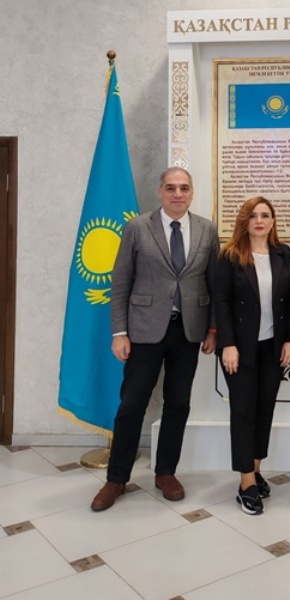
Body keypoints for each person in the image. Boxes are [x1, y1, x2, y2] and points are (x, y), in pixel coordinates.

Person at [91, 167, 219, 511]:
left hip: (188, 330)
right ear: (160, 191)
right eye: (171, 188)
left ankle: (166, 473)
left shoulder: (207, 229)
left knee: (178, 403)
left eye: (184, 188)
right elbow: (121, 281)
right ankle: (116, 478)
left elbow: (213, 283)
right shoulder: (137, 227)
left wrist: (212, 329)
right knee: (132, 404)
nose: (178, 194)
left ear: (192, 193)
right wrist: (119, 332)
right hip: (144, 330)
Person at [214, 196, 290, 515]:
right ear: (244, 221)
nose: (260, 221)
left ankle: (255, 468)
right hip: (239, 349)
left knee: (264, 410)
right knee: (244, 412)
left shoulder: (283, 253)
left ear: (273, 221)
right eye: (253, 216)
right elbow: (221, 302)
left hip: (272, 348)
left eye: (265, 215)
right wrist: (228, 344)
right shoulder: (230, 255)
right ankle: (246, 484)